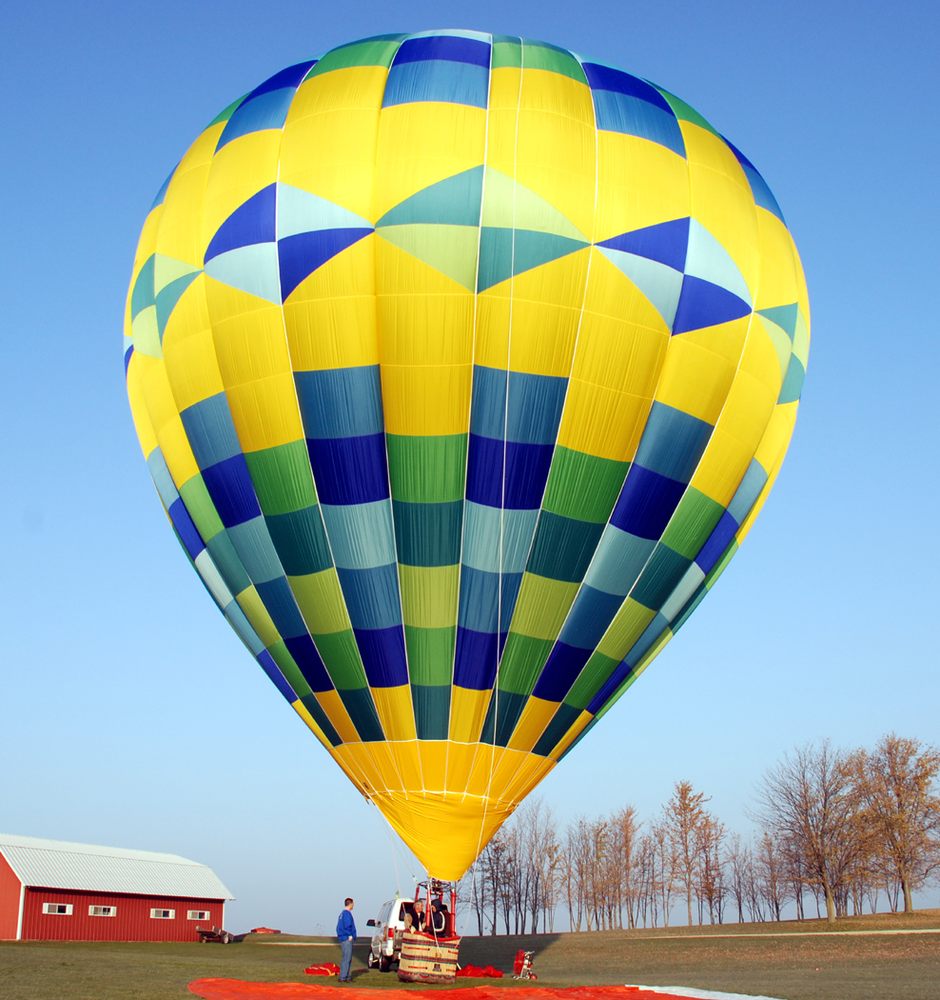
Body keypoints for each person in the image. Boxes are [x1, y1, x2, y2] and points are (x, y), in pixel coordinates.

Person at [336, 897, 356, 982]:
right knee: (347, 958)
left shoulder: (342, 914)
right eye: (353, 904)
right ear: (350, 904)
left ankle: (346, 976)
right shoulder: (347, 914)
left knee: (346, 957)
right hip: (346, 938)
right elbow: (348, 925)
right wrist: (350, 935)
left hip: (343, 938)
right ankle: (343, 977)